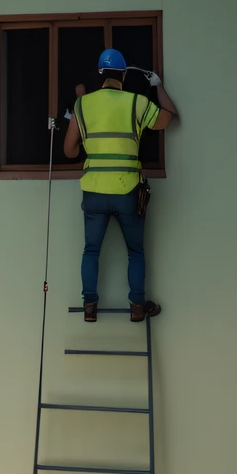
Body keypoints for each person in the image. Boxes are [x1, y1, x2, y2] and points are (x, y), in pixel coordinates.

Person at [64, 49, 177, 323]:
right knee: (135, 251)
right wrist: (158, 86)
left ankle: (89, 306)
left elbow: (69, 152)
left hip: (94, 191)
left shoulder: (83, 105)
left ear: (100, 75)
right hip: (128, 190)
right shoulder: (136, 103)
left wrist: (82, 116)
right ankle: (137, 307)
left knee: (91, 250)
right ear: (124, 75)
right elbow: (168, 117)